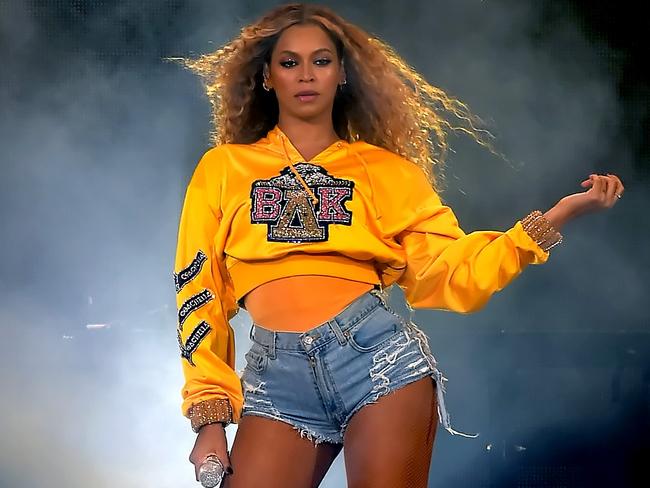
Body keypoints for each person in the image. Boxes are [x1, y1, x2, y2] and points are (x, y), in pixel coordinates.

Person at [173, 3, 624, 487]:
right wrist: (209, 418)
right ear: (266, 77)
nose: (306, 74)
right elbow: (196, 292)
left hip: (376, 360)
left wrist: (554, 219)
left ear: (342, 74)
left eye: (321, 61)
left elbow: (452, 272)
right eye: (289, 62)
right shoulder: (222, 169)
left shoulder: (388, 172)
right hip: (273, 377)